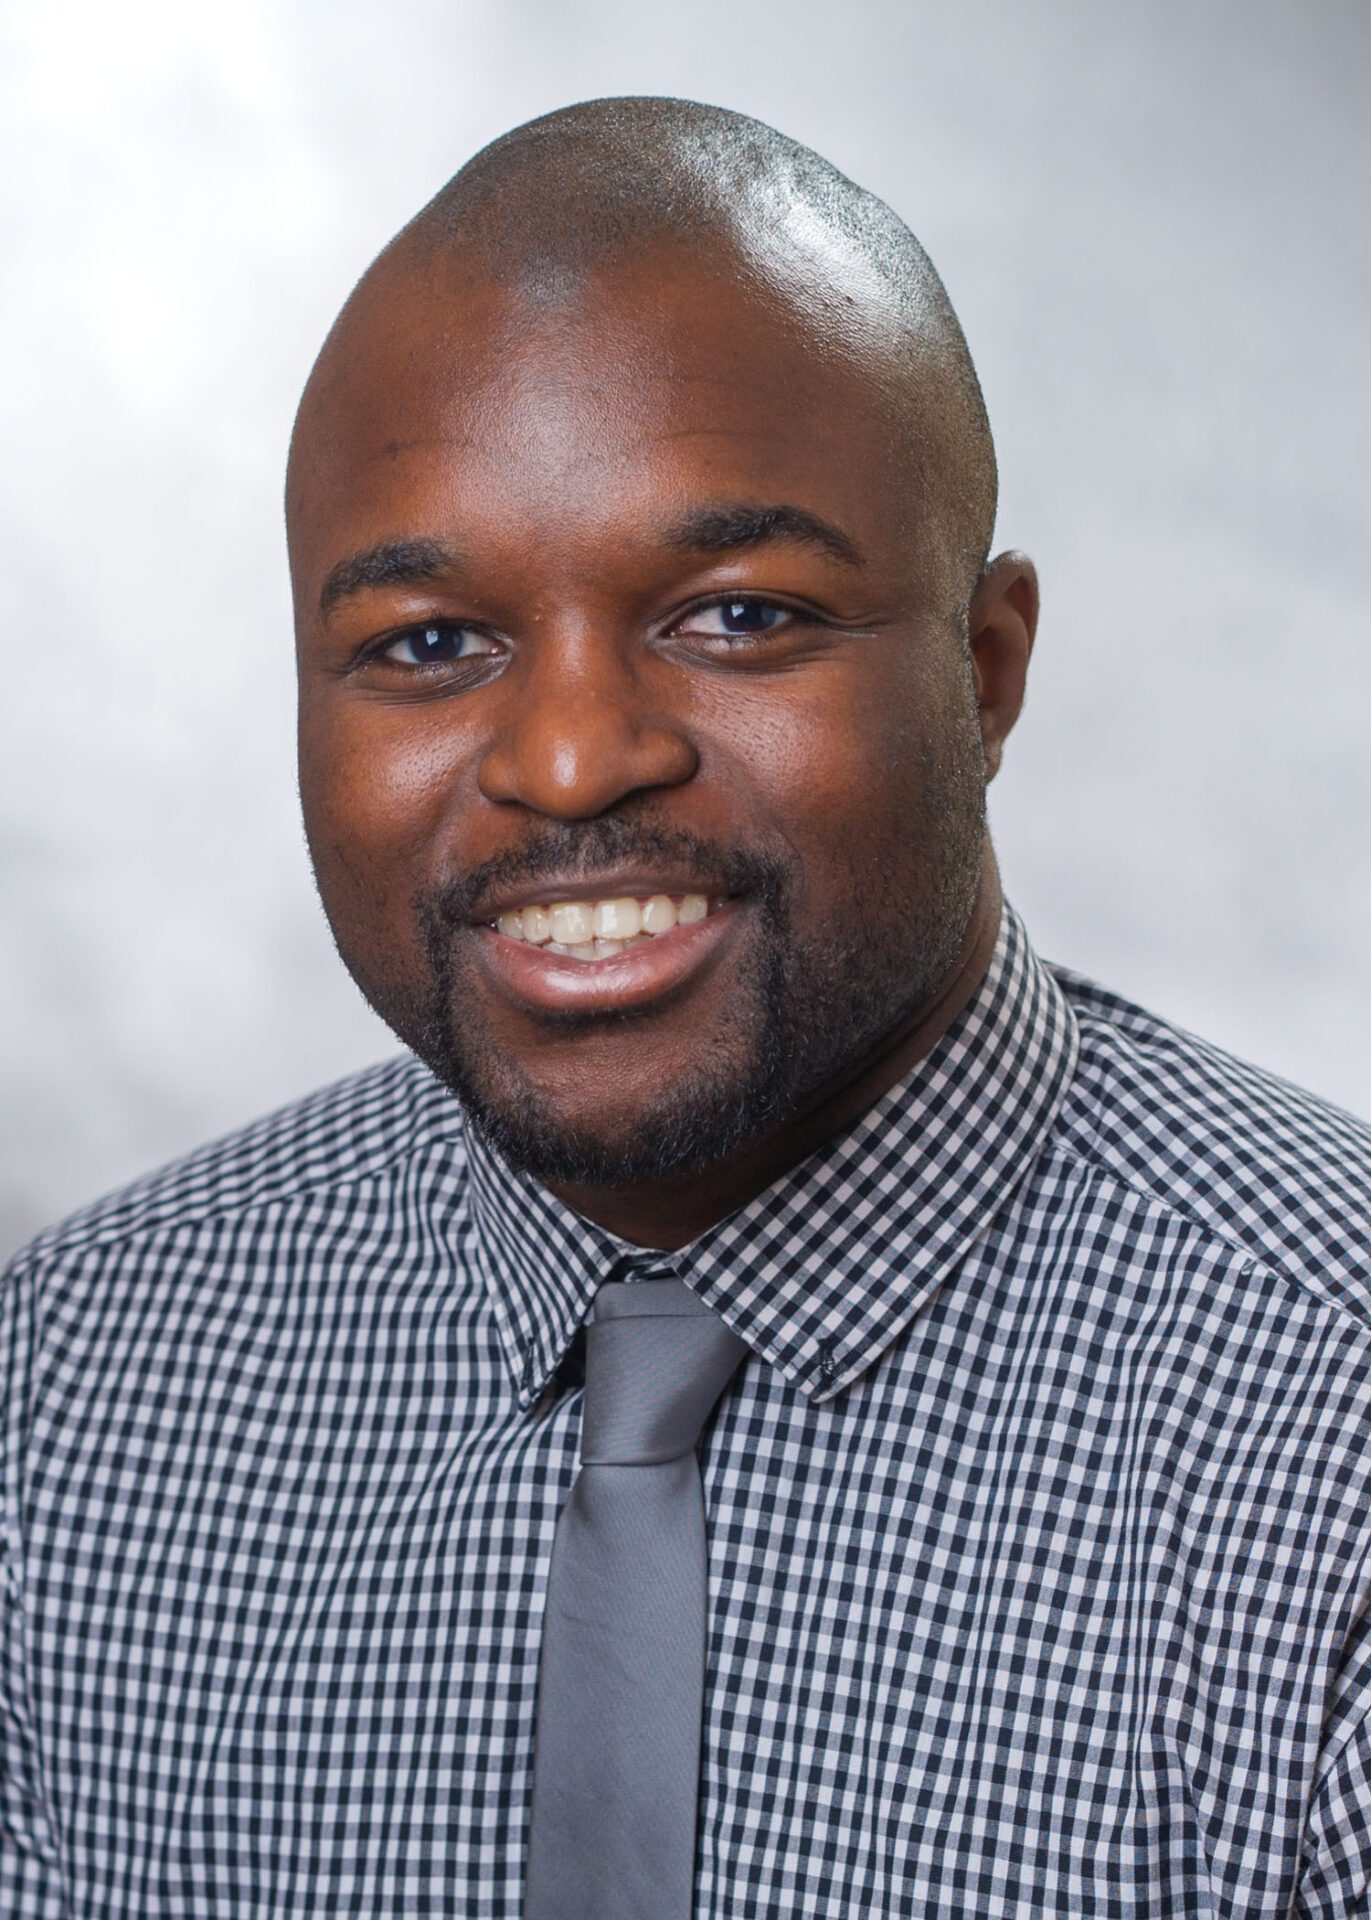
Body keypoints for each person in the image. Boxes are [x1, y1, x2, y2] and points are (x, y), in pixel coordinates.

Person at [4, 95, 1370, 1920]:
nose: (572, 760)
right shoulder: (75, 1393)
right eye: (428, 645)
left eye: (735, 617)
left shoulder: (1333, 1434)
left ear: (986, 670)